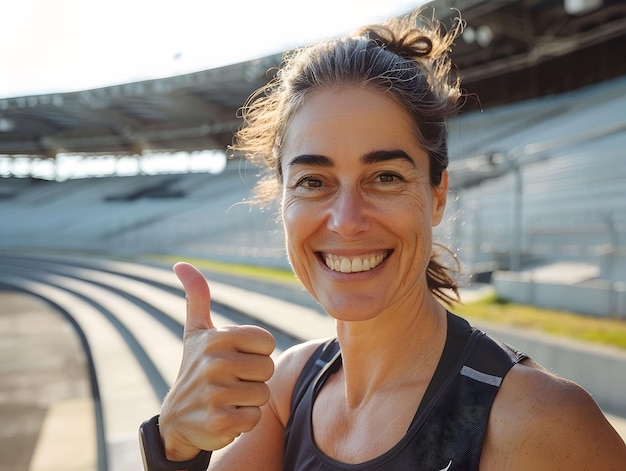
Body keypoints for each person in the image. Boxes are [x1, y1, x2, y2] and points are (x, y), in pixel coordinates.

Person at [139, 9, 626, 470]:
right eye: (313, 181)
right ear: (280, 198)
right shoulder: (286, 390)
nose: (347, 221)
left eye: (386, 177)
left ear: (438, 195)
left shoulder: (538, 419)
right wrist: (175, 445)